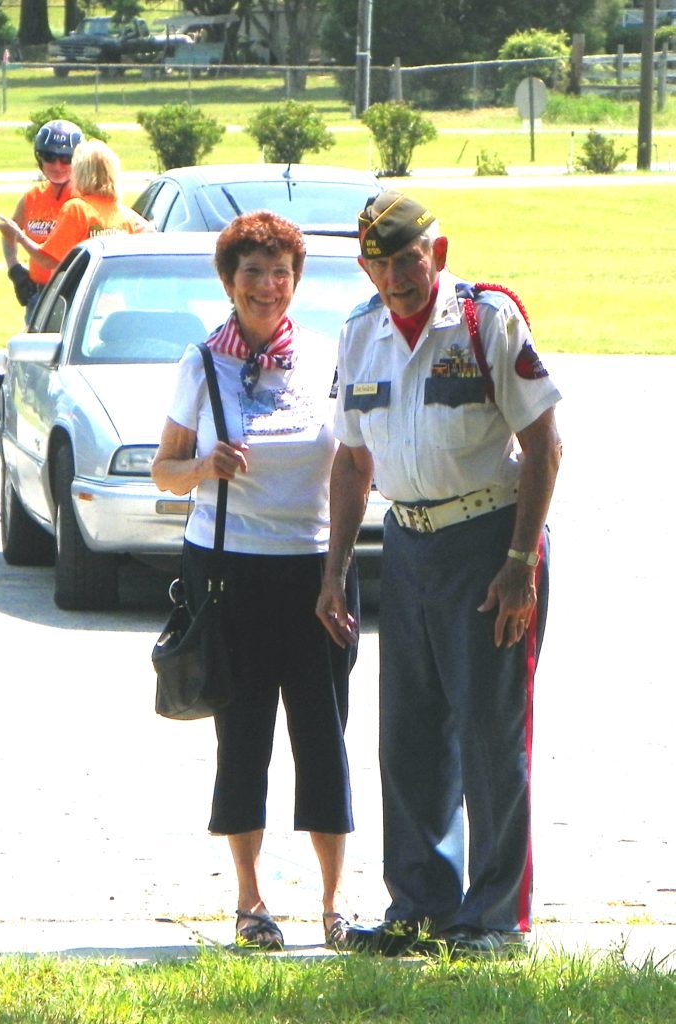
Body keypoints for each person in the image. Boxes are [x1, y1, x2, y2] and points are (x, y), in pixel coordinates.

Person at [316, 191, 562, 957]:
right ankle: (420, 908)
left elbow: (545, 445)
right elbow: (353, 462)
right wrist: (334, 571)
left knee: (491, 736)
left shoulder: (487, 321)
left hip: (490, 542)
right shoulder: (359, 334)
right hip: (409, 547)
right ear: (366, 270)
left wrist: (520, 563)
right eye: (381, 264)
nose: (396, 277)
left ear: (438, 254)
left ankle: (497, 919)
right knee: (410, 738)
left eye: (408, 259)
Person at [151, 210, 358, 952]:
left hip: (316, 575)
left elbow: (353, 463)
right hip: (229, 575)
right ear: (228, 281)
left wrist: (337, 572)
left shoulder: (328, 359)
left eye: (280, 273)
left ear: (296, 281)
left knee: (324, 738)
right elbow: (164, 470)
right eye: (252, 273)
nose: (267, 286)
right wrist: (204, 466)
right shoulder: (201, 363)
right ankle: (250, 903)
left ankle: (334, 905)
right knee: (242, 741)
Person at [0, 138, 149, 279]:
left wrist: (19, 236)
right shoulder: (122, 212)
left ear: (82, 173)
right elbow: (149, 235)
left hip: (83, 293)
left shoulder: (77, 209)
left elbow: (48, 260)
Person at [0, 118, 84, 322]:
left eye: (66, 158)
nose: (57, 165)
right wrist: (14, 269)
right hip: (39, 297)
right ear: (39, 158)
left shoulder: (86, 199)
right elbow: (9, 232)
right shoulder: (32, 198)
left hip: (77, 296)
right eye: (49, 157)